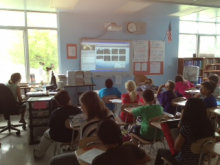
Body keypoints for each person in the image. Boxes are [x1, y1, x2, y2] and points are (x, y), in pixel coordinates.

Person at [49, 91, 115, 165]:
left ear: (86, 107)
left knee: (54, 161)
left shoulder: (86, 125)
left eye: (82, 106)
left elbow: (82, 146)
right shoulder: (111, 116)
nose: (81, 109)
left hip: (91, 158)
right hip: (110, 154)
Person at [155, 98, 215, 165]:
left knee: (160, 151)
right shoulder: (210, 126)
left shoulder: (187, 127)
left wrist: (181, 120)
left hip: (183, 162)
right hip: (199, 162)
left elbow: (176, 148)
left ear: (187, 110)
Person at [34, 90, 81, 161]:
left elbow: (50, 126)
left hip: (57, 136)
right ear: (69, 99)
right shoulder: (77, 110)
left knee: (46, 135)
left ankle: (38, 154)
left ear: (58, 103)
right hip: (73, 136)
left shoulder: (55, 112)